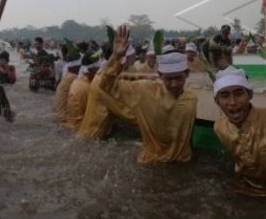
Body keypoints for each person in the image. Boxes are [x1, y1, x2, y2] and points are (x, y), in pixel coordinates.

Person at [95, 26, 197, 163]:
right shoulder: (144, 91)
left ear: (187, 74)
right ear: (160, 75)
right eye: (169, 79)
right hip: (153, 163)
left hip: (183, 162)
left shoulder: (192, 97)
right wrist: (116, 56)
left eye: (178, 78)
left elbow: (188, 134)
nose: (174, 84)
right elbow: (106, 86)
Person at [213, 66, 266, 200]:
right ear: (217, 101)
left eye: (238, 93)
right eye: (225, 95)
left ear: (250, 95)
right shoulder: (219, 127)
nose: (232, 102)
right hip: (243, 191)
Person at [64, 55, 99, 130]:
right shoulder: (89, 87)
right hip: (81, 129)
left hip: (70, 124)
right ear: (91, 70)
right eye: (97, 69)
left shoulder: (76, 81)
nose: (98, 72)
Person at [54, 42, 81, 122]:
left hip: (60, 110)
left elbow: (57, 80)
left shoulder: (65, 67)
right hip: (67, 117)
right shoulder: (74, 77)